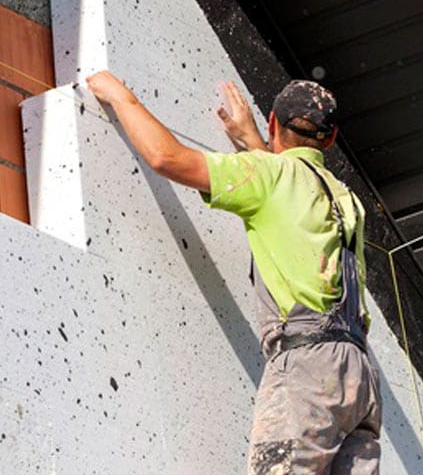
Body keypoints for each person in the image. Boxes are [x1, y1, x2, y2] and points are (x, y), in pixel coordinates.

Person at [85, 71, 380, 475]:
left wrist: (120, 96)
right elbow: (292, 193)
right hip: (359, 380)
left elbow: (166, 158)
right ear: (330, 139)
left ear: (274, 122)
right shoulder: (346, 199)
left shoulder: (270, 176)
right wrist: (255, 143)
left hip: (308, 370)